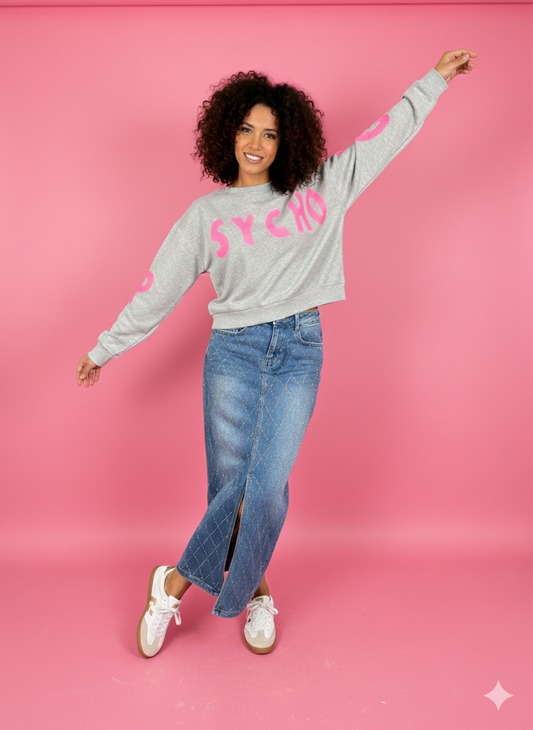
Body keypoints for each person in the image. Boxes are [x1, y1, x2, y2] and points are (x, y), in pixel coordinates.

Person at [76, 49, 477, 656]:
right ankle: (258, 590)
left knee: (264, 487)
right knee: (230, 488)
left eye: (269, 133)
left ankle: (174, 582)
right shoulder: (207, 216)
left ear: (287, 141)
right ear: (228, 134)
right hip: (231, 354)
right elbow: (157, 288)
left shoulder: (321, 189)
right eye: (246, 130)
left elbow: (384, 138)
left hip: (298, 348)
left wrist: (435, 80)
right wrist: (106, 348)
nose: (256, 144)